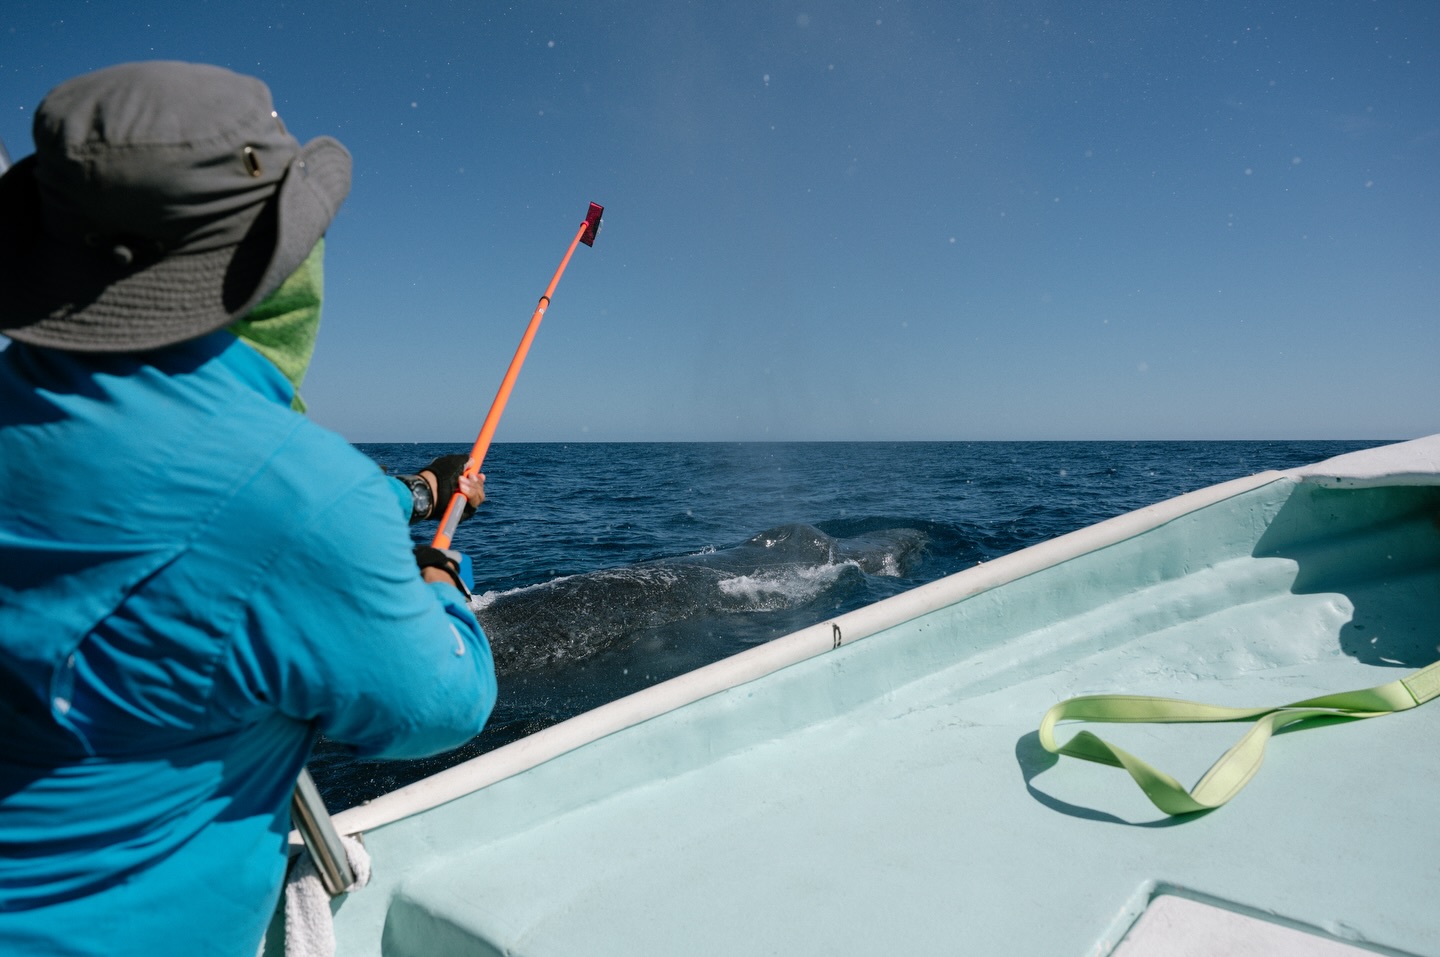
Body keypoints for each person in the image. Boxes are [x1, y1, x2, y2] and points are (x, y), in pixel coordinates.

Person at [0, 61, 497, 955]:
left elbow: (212, 512)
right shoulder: (301, 495)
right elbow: (442, 701)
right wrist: (439, 576)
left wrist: (414, 494)